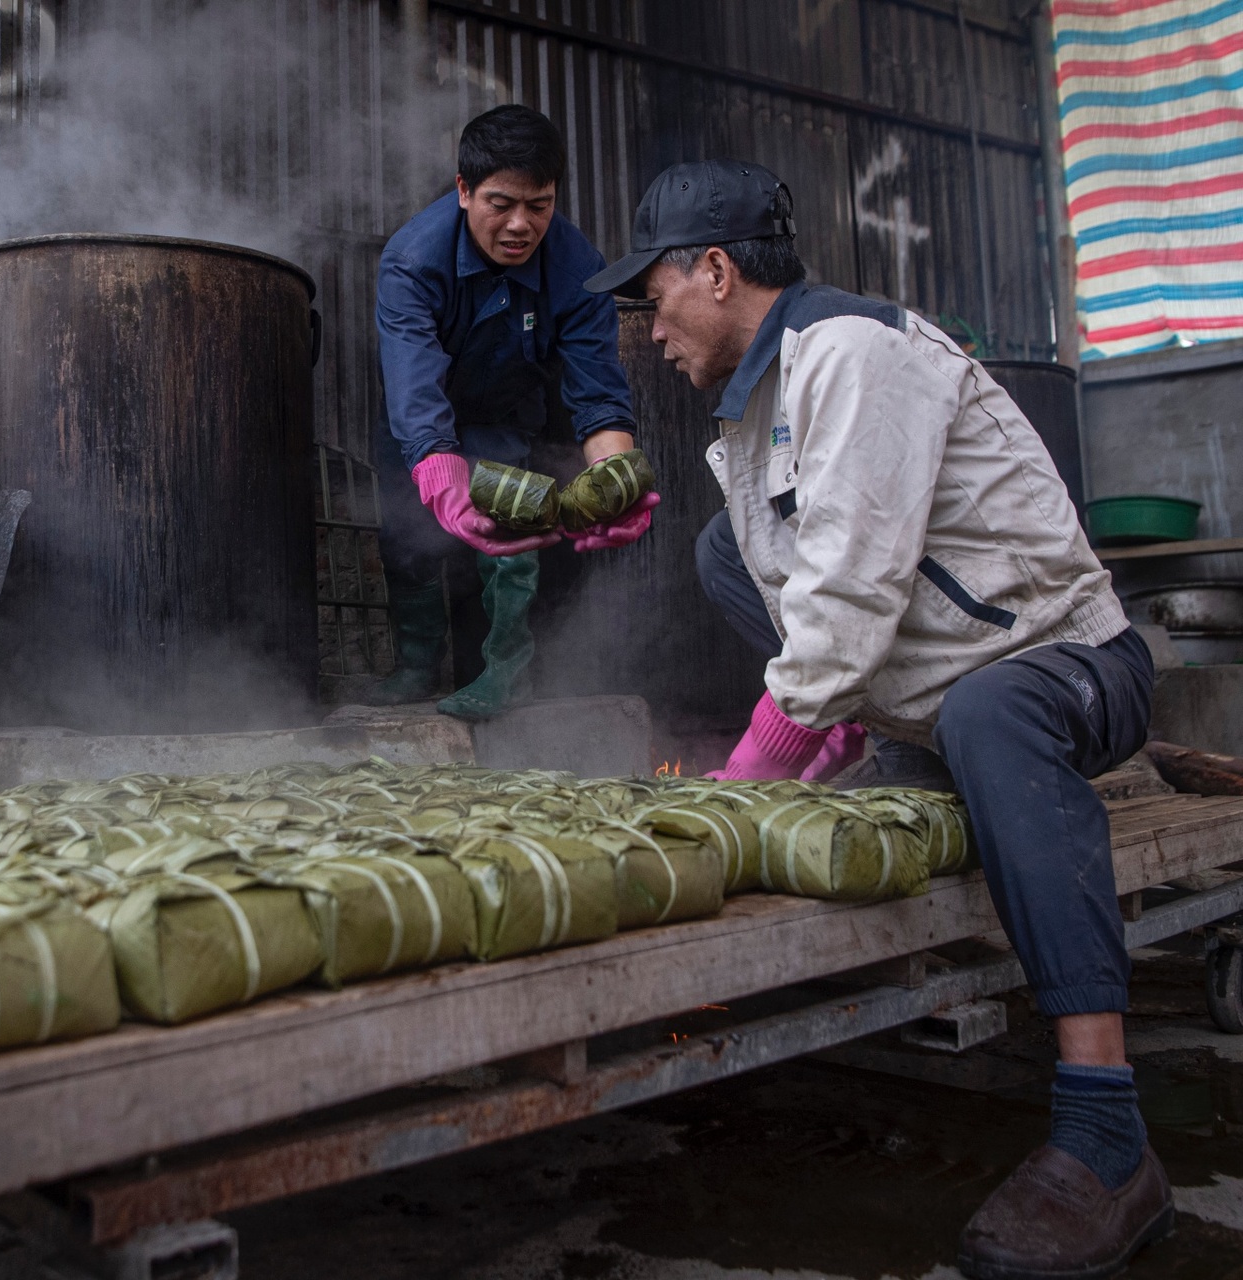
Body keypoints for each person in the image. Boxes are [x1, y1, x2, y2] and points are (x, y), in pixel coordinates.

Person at [586, 160, 1165, 1280]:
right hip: (949, 695)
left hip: (1066, 666)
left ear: (714, 270)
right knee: (724, 553)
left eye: (653, 297)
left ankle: (1107, 1130)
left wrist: (756, 776)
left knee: (993, 710)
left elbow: (848, 597)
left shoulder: (852, 354)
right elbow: (807, 593)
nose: (648, 329)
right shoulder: (757, 408)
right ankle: (899, 740)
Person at [367, 105, 651, 720]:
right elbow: (413, 378)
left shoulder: (580, 269)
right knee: (404, 533)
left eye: (540, 205)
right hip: (420, 418)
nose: (521, 225)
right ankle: (415, 665)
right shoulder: (412, 260)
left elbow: (598, 395)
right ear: (464, 190)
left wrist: (618, 477)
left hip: (508, 412)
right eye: (501, 204)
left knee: (514, 528)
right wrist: (439, 475)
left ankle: (506, 672)